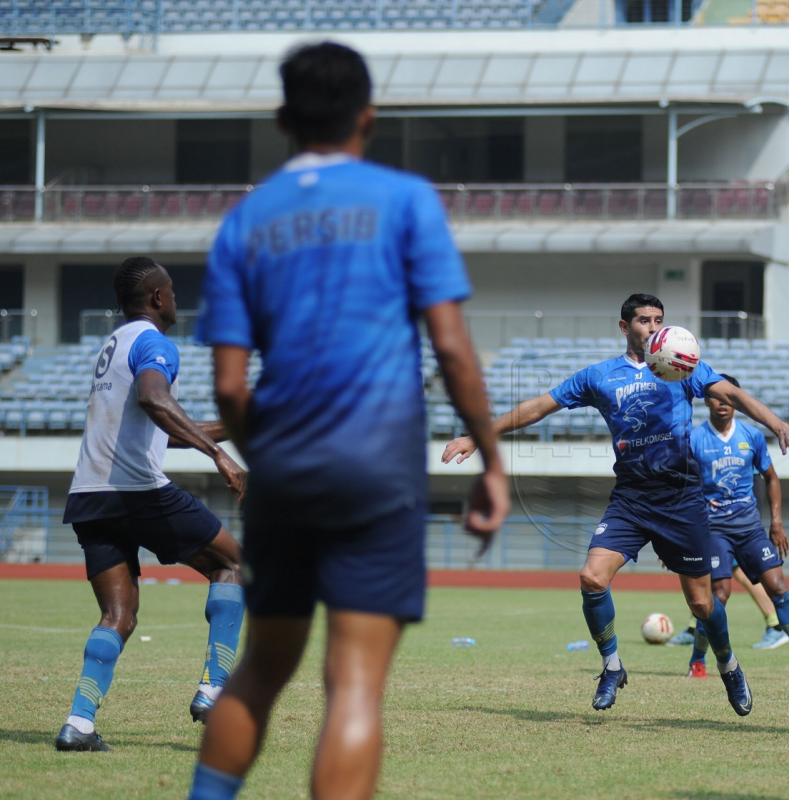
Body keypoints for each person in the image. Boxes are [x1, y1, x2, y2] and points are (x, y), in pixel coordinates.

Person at [187, 42, 508, 800]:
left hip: (286, 471)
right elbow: (454, 349)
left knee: (262, 667)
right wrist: (492, 463)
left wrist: (269, 467)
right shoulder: (407, 200)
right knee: (355, 684)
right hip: (377, 467)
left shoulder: (244, 221)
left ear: (281, 120)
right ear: (369, 116)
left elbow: (230, 388)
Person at [444, 294, 789, 716]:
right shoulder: (599, 376)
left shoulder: (683, 365)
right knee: (592, 577)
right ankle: (612, 666)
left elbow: (730, 393)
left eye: (659, 320)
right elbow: (538, 407)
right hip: (631, 498)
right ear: (623, 326)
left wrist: (776, 423)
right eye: (644, 320)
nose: (653, 327)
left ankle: (729, 665)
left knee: (703, 604)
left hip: (681, 500)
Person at [55, 257, 247, 752]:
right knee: (232, 565)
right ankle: (213, 690)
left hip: (90, 496)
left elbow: (160, 425)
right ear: (157, 299)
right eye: (174, 292)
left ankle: (78, 725)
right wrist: (220, 455)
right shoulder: (155, 342)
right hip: (137, 493)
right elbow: (155, 401)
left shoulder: (113, 344)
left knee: (118, 616)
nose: (178, 300)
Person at [683, 374, 789, 680]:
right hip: (713, 531)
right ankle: (698, 659)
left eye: (728, 397)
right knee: (719, 595)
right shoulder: (694, 440)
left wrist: (776, 522)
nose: (721, 402)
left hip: (750, 529)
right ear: (706, 400)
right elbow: (683, 490)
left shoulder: (752, 436)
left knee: (778, 586)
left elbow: (771, 478)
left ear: (737, 398)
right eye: (715, 397)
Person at [667, 566, 789, 650]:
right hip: (718, 528)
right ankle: (694, 629)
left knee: (738, 571)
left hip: (721, 528)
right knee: (707, 568)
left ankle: (775, 625)